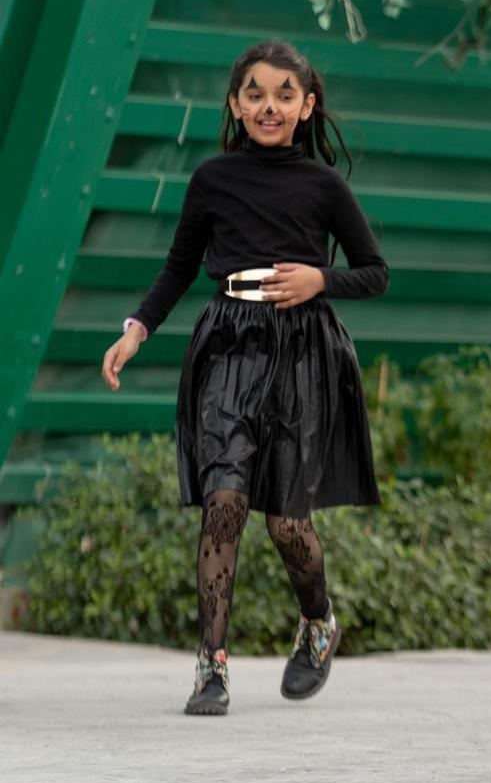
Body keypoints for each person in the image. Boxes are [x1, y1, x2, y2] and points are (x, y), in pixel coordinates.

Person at [101, 40, 388, 716]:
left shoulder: (324, 185)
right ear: (235, 103)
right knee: (224, 498)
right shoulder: (212, 179)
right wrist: (136, 328)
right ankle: (211, 666)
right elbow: (177, 268)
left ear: (307, 105)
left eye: (284, 95)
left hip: (303, 352)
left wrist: (322, 277)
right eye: (254, 93)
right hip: (229, 342)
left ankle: (318, 623)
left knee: (288, 523)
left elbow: (375, 271)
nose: (269, 106)